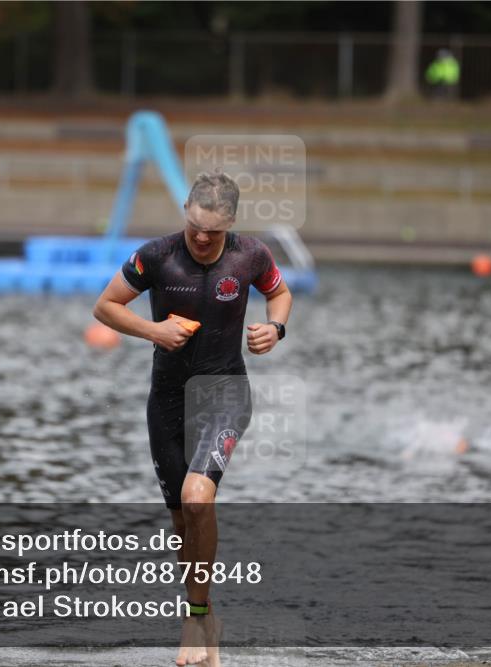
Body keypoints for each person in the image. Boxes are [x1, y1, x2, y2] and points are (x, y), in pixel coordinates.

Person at [93, 170, 293, 666]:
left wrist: (276, 328)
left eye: (214, 230)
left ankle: (196, 620)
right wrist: (153, 331)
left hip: (224, 392)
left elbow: (280, 294)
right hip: (166, 400)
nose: (202, 238)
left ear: (231, 223)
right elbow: (105, 307)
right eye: (194, 226)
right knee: (183, 520)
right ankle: (206, 618)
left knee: (197, 497)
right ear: (186, 211)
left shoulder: (252, 255)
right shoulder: (157, 256)